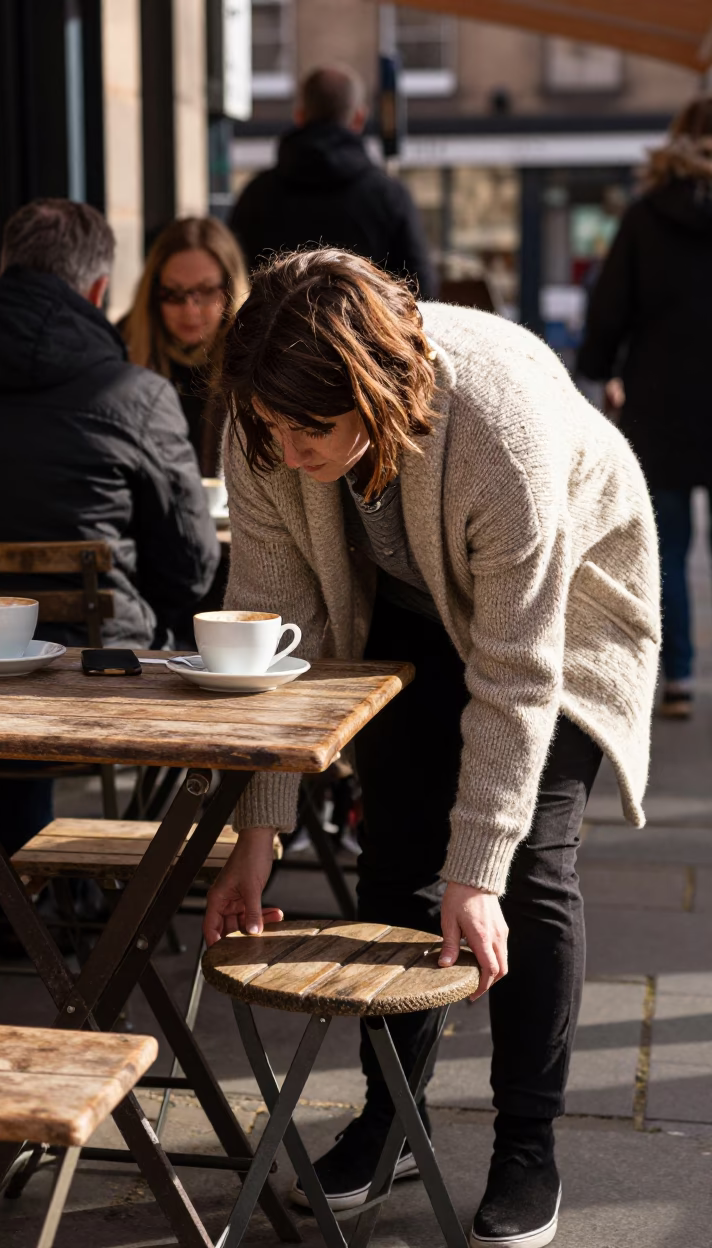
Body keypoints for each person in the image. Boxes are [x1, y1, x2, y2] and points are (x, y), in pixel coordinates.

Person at [203, 250, 659, 1248]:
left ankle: (526, 1149)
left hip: (563, 606)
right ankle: (389, 1122)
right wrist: (259, 833)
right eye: (269, 425)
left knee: (525, 866)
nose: (284, 444)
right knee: (399, 847)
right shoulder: (266, 423)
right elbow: (277, 633)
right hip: (407, 603)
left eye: (309, 427)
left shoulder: (496, 426)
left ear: (371, 390)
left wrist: (480, 868)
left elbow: (516, 674)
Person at [0, 198, 220, 902]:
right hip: (102, 675)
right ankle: (67, 891)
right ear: (98, 290)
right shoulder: (137, 395)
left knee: (7, 656)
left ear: (2, 270)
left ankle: (22, 893)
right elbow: (190, 570)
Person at [578, 96, 712, 720]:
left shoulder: (644, 218)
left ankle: (679, 678)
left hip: (660, 401)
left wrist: (601, 371)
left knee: (668, 547)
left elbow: (609, 311)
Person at [229, 65, 437, 299]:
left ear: (299, 116)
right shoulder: (389, 196)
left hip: (277, 334)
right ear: (359, 118)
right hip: (364, 334)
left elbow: (234, 280)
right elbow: (421, 290)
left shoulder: (256, 195)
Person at [120, 216, 248, 477]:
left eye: (205, 291)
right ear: (154, 292)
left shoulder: (254, 354)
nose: (190, 310)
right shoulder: (121, 347)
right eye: (174, 294)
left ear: (230, 289)